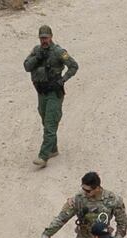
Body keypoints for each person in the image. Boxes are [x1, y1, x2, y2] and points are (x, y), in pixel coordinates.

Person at [23, 24, 79, 167]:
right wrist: (37, 58)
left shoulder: (59, 51)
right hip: (41, 92)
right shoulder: (36, 51)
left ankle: (43, 156)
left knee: (50, 123)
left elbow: (73, 65)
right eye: (42, 38)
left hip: (54, 92)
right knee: (45, 120)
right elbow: (27, 66)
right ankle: (53, 149)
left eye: (46, 38)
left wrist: (63, 79)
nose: (44, 41)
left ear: (51, 37)